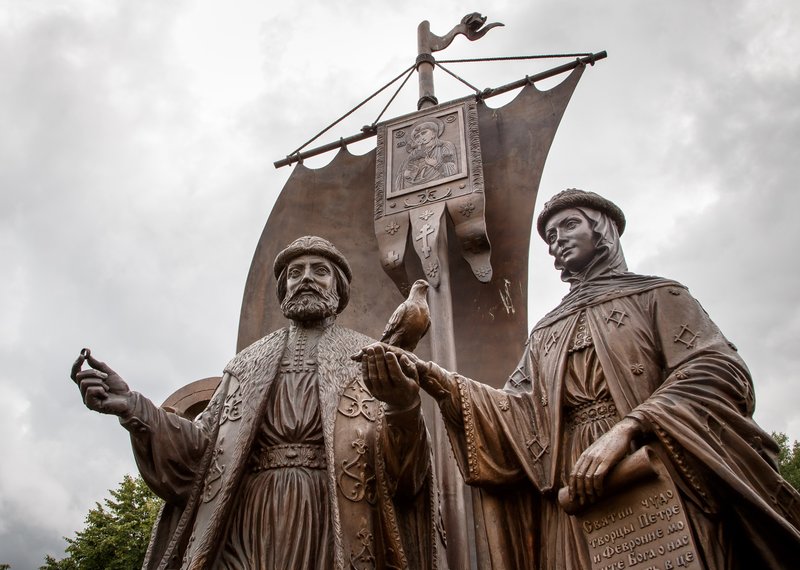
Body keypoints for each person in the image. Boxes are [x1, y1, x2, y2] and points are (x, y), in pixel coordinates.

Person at [359, 190, 800, 568]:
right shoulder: (548, 331)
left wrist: (628, 429)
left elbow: (717, 369)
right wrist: (433, 378)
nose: (557, 241)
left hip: (656, 470)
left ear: (603, 228)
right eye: (550, 236)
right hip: (572, 485)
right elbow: (518, 412)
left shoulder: (659, 296)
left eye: (568, 226)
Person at [71, 235, 445, 570]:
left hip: (332, 514)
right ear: (284, 290)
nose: (307, 279)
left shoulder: (365, 357)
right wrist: (135, 407)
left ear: (339, 288)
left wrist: (404, 407)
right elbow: (201, 449)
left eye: (320, 271)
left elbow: (403, 469)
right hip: (246, 515)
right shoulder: (246, 363)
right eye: (295, 273)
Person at [394, 118, 458, 191]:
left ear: (433, 134)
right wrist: (406, 174)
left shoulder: (444, 146)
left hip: (441, 186)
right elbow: (400, 177)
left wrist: (436, 164)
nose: (421, 137)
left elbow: (452, 171)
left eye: (424, 133)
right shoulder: (413, 155)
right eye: (417, 136)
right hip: (415, 190)